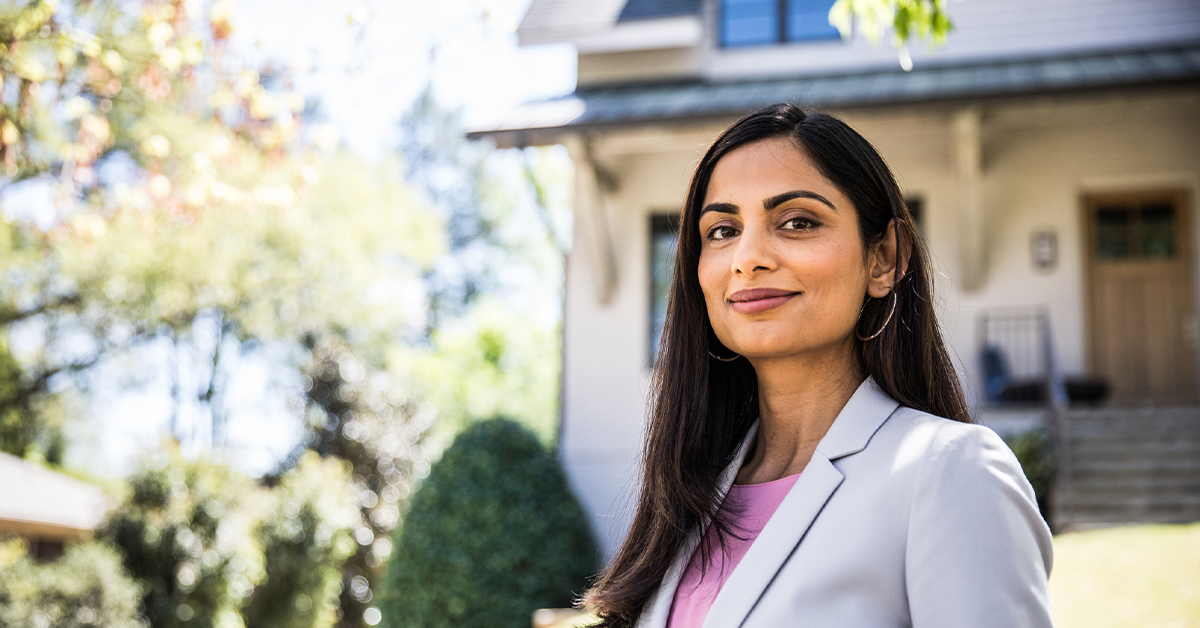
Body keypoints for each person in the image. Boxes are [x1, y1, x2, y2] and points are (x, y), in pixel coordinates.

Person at [582, 104, 1054, 628]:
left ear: (884, 259)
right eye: (721, 230)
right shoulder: (688, 498)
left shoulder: (950, 471)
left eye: (798, 222)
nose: (747, 257)